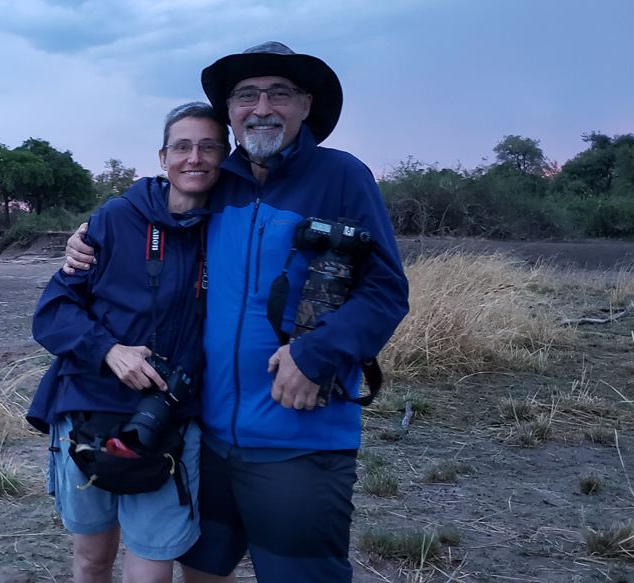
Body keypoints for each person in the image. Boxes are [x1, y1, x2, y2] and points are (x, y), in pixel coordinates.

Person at [64, 42, 410, 582]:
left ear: (305, 105)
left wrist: (315, 355)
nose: (262, 106)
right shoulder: (217, 183)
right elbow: (151, 199)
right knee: (201, 574)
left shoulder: (342, 176)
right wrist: (88, 234)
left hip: (300, 438)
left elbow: (386, 290)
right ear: (230, 112)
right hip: (208, 437)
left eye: (279, 93)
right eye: (246, 94)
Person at [28, 102, 229, 583]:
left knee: (154, 563)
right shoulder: (115, 218)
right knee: (92, 559)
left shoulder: (232, 225)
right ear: (163, 157)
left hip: (170, 417)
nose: (194, 158)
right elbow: (52, 312)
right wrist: (109, 351)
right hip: (89, 408)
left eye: (208, 147)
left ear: (225, 157)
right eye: (182, 147)